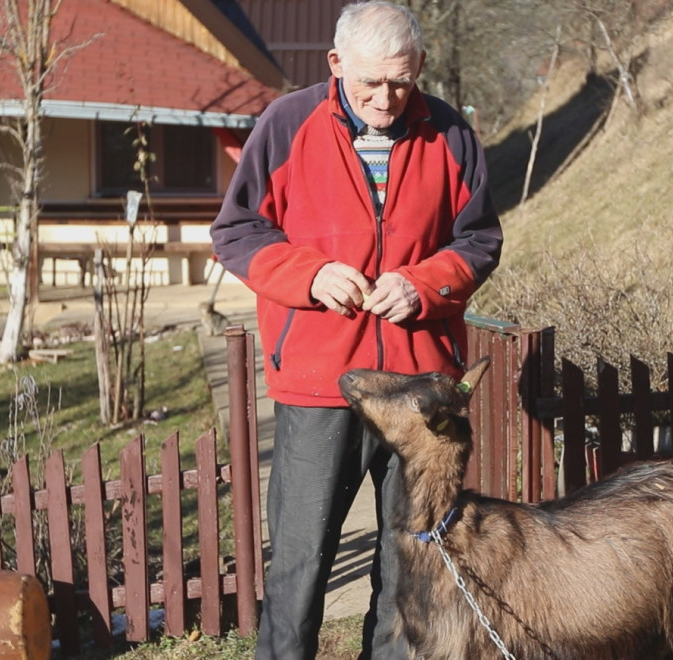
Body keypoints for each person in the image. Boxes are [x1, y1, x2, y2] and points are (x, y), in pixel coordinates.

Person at [210, 2, 502, 658]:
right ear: (336, 64)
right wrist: (307, 276)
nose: (384, 97)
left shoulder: (452, 133)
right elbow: (236, 231)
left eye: (399, 81)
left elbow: (480, 239)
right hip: (318, 384)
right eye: (368, 82)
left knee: (411, 563)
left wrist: (424, 285)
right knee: (301, 561)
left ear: (420, 67)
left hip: (423, 386)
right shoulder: (286, 124)